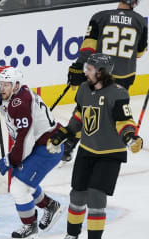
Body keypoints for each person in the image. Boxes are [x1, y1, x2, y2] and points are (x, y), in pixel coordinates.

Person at [47, 53, 143, 239]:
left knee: (96, 196)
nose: (85, 72)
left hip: (110, 153)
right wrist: (63, 134)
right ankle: (72, 235)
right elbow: (79, 116)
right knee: (77, 194)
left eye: (89, 69)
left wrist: (130, 137)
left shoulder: (118, 94)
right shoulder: (83, 89)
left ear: (101, 73)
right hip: (88, 150)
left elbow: (124, 121)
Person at [0, 67, 64, 239]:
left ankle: (30, 228)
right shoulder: (18, 95)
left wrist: (10, 159)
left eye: (7, 85)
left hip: (48, 148)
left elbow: (25, 139)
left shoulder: (20, 104)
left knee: (18, 187)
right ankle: (51, 207)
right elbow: (13, 118)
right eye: (1, 84)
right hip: (42, 144)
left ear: (16, 85)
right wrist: (0, 103)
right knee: (24, 181)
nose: (2, 88)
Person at [63, 0, 147, 162]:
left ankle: (70, 144)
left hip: (100, 73)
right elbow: (139, 53)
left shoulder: (100, 17)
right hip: (124, 76)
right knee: (113, 110)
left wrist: (79, 66)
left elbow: (88, 48)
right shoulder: (140, 21)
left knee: (88, 108)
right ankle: (108, 145)